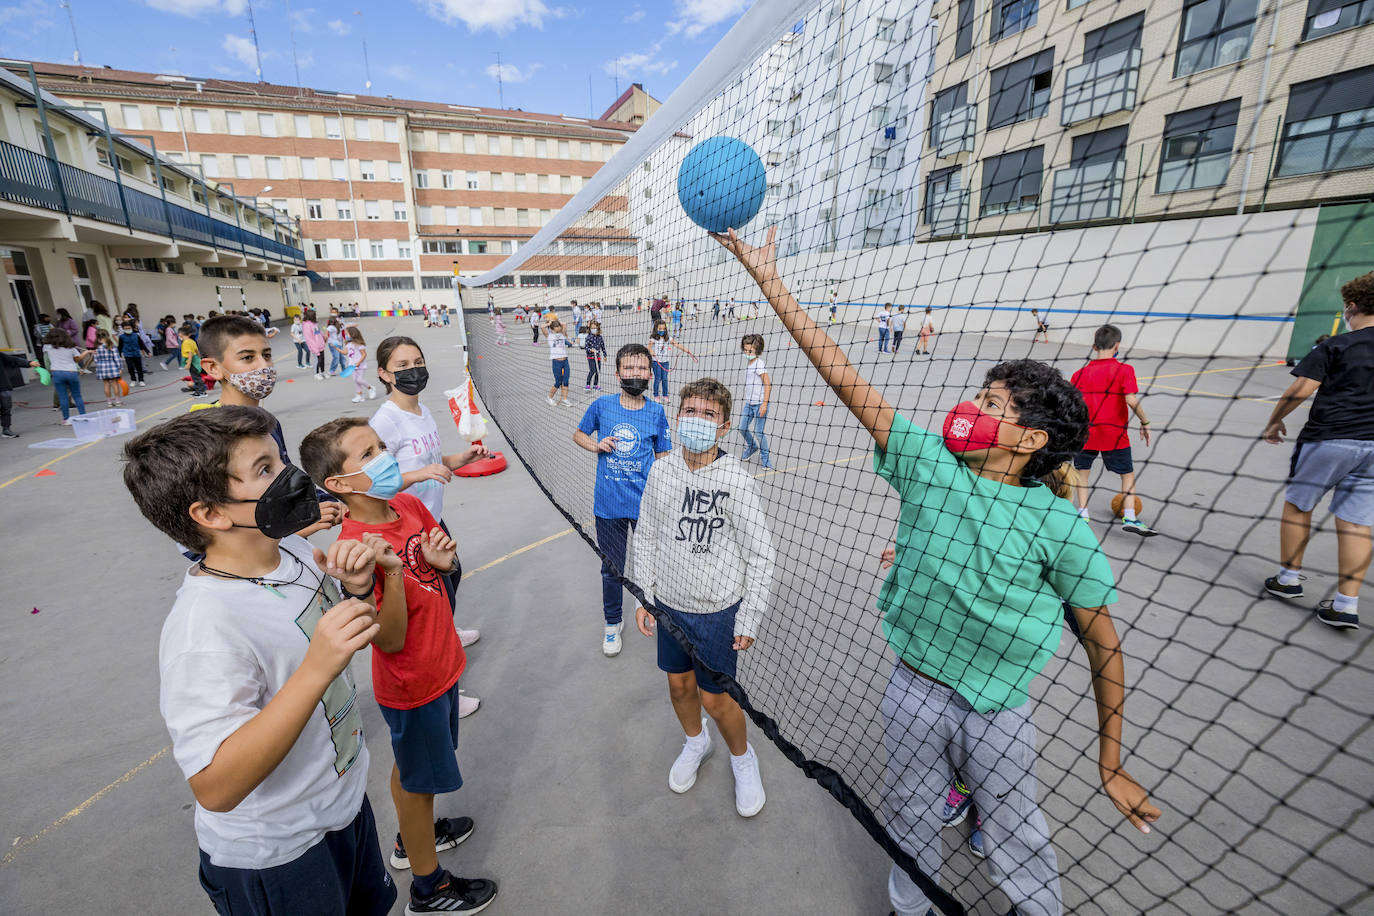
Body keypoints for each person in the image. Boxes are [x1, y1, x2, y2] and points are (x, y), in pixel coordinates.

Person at [714, 225, 1159, 916]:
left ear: (1033, 440)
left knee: (1017, 830)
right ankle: (908, 904)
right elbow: (841, 373)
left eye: (991, 406)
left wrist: (1111, 761)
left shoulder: (1060, 523)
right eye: (977, 394)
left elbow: (1104, 643)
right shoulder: (929, 464)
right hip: (915, 687)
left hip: (999, 705)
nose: (969, 408)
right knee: (913, 814)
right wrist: (769, 280)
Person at [120, 407, 396, 916]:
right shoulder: (204, 627)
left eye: (280, 458)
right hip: (279, 855)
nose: (291, 477)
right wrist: (315, 669)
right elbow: (216, 786)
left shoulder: (289, 547)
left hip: (343, 807)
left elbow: (337, 631)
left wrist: (356, 591)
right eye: (266, 469)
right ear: (210, 514)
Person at [300, 418, 499, 916]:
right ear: (340, 486)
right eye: (368, 453)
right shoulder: (355, 549)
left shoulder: (407, 505)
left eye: (382, 445)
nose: (385, 455)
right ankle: (428, 888)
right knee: (419, 782)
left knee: (413, 771)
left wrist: (443, 560)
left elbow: (440, 568)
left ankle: (413, 842)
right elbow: (387, 639)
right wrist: (387, 571)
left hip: (443, 664)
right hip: (413, 682)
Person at [632, 377, 775, 816]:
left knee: (717, 698)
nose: (697, 420)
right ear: (677, 418)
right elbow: (647, 535)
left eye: (708, 415)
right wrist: (644, 596)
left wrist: (748, 618)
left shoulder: (736, 479)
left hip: (718, 612)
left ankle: (742, 758)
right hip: (670, 605)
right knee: (678, 687)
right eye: (690, 412)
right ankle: (697, 742)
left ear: (725, 426)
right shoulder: (661, 469)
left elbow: (762, 556)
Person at [371, 335, 489, 695]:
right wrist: (420, 475)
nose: (413, 371)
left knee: (450, 584)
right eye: (402, 366)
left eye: (417, 362)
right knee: (431, 608)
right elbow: (374, 483)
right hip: (407, 531)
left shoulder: (421, 412)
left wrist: (462, 459)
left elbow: (432, 463)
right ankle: (445, 688)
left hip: (431, 520)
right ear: (384, 374)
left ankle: (448, 636)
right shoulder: (385, 421)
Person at [1262, 271, 1374, 630]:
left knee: (1298, 504)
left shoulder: (1337, 345)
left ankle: (1289, 579)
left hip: (1330, 438)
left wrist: (1274, 421)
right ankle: (1346, 605)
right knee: (1357, 522)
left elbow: (1301, 388)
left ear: (1352, 306)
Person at [573, 343, 672, 656]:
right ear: (617, 374)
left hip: (646, 507)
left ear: (650, 372)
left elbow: (664, 456)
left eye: (642, 368)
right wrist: (595, 445)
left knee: (653, 565)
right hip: (608, 506)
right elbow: (579, 434)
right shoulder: (602, 406)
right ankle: (613, 623)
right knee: (612, 569)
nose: (636, 374)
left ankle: (652, 610)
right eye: (629, 368)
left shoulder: (656, 411)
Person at [1071, 325, 1157, 536]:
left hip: (1085, 433)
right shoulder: (1124, 370)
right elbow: (1130, 399)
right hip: (1114, 434)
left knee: (1082, 474)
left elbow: (1072, 405)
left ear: (1094, 346)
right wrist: (1145, 422)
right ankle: (1130, 517)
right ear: (1117, 346)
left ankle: (1082, 515)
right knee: (1127, 475)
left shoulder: (1079, 374)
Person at [739, 334, 773, 470]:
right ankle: (752, 446)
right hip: (749, 404)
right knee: (742, 427)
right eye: (745, 350)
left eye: (750, 351)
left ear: (757, 351)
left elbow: (767, 383)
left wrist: (764, 403)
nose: (747, 353)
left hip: (760, 404)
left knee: (759, 432)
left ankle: (766, 459)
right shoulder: (750, 363)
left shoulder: (759, 364)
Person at [43, 327, 91, 424]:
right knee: (77, 395)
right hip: (71, 372)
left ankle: (66, 419)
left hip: (57, 372)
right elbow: (78, 359)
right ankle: (83, 416)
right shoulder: (71, 347)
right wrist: (87, 352)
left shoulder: (47, 346)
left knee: (63, 397)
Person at [649, 319, 698, 404]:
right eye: (660, 329)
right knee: (657, 379)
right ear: (656, 329)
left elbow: (676, 344)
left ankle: (665, 395)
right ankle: (656, 395)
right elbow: (649, 347)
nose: (662, 331)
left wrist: (686, 350)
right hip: (656, 362)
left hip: (665, 361)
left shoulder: (668, 338)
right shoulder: (653, 338)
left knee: (664, 379)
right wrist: (651, 351)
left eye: (663, 329)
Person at [0, 348, 40, 438]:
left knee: (6, 408)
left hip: (3, 386)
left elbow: (13, 360)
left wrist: (28, 363)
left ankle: (6, 429)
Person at [545, 318, 574, 407]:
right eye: (557, 326)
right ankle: (549, 397)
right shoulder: (549, 336)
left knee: (566, 381)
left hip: (565, 361)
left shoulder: (561, 335)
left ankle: (565, 399)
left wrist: (557, 322)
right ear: (552, 328)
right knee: (558, 382)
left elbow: (564, 324)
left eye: (559, 326)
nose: (559, 327)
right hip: (556, 362)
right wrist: (550, 323)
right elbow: (542, 327)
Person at [93, 328, 125, 407]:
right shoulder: (111, 346)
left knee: (106, 384)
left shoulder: (97, 348)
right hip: (112, 366)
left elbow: (96, 360)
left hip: (101, 368)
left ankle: (109, 402)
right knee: (114, 384)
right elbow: (117, 358)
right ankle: (118, 401)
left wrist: (100, 364)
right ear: (107, 336)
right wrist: (120, 368)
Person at [346, 326, 378, 403]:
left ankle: (370, 388)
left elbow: (364, 354)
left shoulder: (359, 344)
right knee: (355, 380)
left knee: (359, 379)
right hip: (352, 365)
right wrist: (336, 348)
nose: (346, 335)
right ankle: (359, 395)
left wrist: (359, 363)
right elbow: (345, 352)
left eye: (347, 334)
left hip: (360, 365)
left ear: (352, 334)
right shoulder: (349, 344)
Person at [118, 320, 151, 387]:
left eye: (129, 328)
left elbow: (142, 344)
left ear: (132, 328)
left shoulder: (136, 335)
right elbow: (120, 346)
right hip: (128, 355)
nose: (128, 329)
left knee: (139, 368)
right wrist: (119, 355)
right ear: (123, 329)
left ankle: (141, 380)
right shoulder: (121, 337)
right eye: (126, 328)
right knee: (130, 368)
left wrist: (148, 352)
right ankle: (133, 380)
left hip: (136, 354)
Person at [179, 323, 207, 397]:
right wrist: (199, 359)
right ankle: (199, 391)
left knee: (196, 377)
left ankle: (201, 392)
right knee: (197, 376)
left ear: (180, 334)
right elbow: (197, 351)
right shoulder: (191, 341)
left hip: (192, 361)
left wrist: (188, 363)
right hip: (196, 360)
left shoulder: (186, 342)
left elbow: (190, 353)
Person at [303, 309, 327, 379]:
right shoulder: (307, 325)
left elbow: (319, 332)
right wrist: (315, 349)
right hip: (315, 346)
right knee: (318, 360)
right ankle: (316, 374)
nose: (316, 316)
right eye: (315, 315)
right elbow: (309, 339)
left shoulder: (315, 323)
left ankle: (322, 372)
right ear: (311, 316)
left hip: (320, 344)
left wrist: (323, 337)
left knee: (322, 359)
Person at [583, 320, 607, 391]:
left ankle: (595, 385)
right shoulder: (588, 337)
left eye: (595, 328)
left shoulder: (600, 337)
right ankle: (588, 384)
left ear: (598, 328)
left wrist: (605, 355)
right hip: (591, 357)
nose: (593, 329)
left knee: (597, 371)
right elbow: (586, 347)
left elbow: (603, 347)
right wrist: (590, 350)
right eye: (592, 328)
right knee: (592, 370)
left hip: (598, 357)